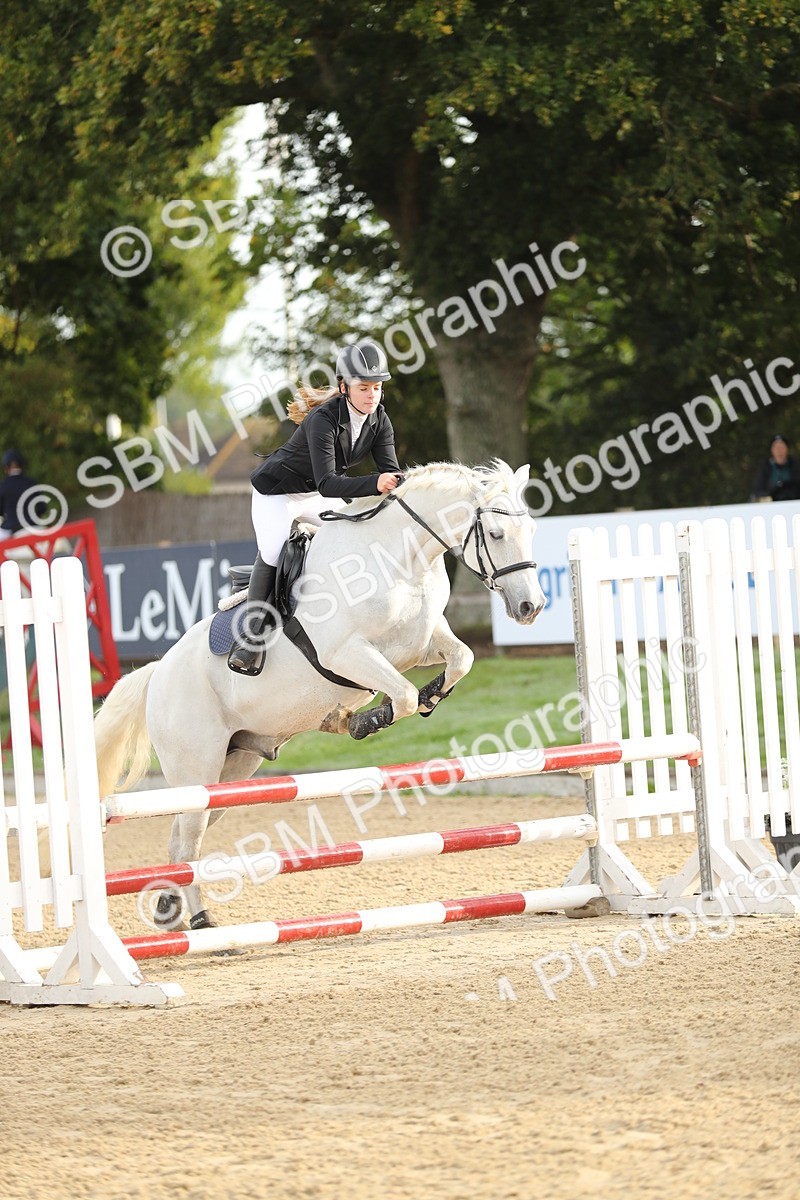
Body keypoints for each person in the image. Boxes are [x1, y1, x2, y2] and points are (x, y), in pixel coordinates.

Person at [228, 338, 404, 674]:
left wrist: (405, 483)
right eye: (363, 387)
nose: (371, 395)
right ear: (344, 386)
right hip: (277, 493)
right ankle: (250, 640)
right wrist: (375, 483)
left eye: (377, 387)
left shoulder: (380, 419)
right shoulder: (324, 419)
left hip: (314, 494)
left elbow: (390, 472)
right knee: (275, 553)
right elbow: (329, 482)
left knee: (357, 531)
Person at [751, 435, 800, 503]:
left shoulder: (795, 465)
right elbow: (758, 490)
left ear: (787, 449)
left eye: (781, 447)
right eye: (776, 447)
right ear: (772, 450)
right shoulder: (765, 467)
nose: (779, 451)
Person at [0, 449, 37, 540]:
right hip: (33, 524)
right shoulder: (31, 482)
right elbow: (41, 507)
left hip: (11, 528)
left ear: (6, 467)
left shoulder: (3, 486)